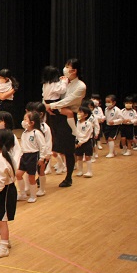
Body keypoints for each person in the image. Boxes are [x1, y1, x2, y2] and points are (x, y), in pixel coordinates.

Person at [46, 59, 87, 187]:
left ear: (74, 70)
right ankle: (40, 176)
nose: (65, 69)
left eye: (67, 66)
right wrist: (47, 105)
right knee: (48, 146)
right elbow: (49, 93)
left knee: (68, 149)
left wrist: (51, 105)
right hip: (54, 114)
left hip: (67, 117)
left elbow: (68, 101)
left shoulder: (80, 86)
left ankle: (68, 177)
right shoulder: (61, 80)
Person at [0, 129, 18, 259]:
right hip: (7, 189)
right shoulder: (8, 155)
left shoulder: (1, 159)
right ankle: (4, 241)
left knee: (2, 219)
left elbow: (0, 180)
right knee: (1, 217)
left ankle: (4, 247)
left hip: (4, 191)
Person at [16, 111, 45, 203]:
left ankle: (33, 195)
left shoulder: (36, 133)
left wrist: (42, 158)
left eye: (25, 119)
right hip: (24, 156)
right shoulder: (24, 133)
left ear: (32, 122)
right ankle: (22, 194)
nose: (23, 121)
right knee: (18, 174)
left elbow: (42, 146)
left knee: (31, 177)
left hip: (33, 156)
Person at [74, 106, 96, 177]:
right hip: (78, 142)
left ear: (86, 115)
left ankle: (89, 171)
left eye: (80, 112)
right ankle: (80, 171)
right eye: (78, 112)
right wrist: (76, 142)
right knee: (79, 156)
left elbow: (87, 135)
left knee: (87, 157)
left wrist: (80, 142)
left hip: (87, 142)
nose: (78, 113)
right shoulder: (76, 123)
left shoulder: (88, 124)